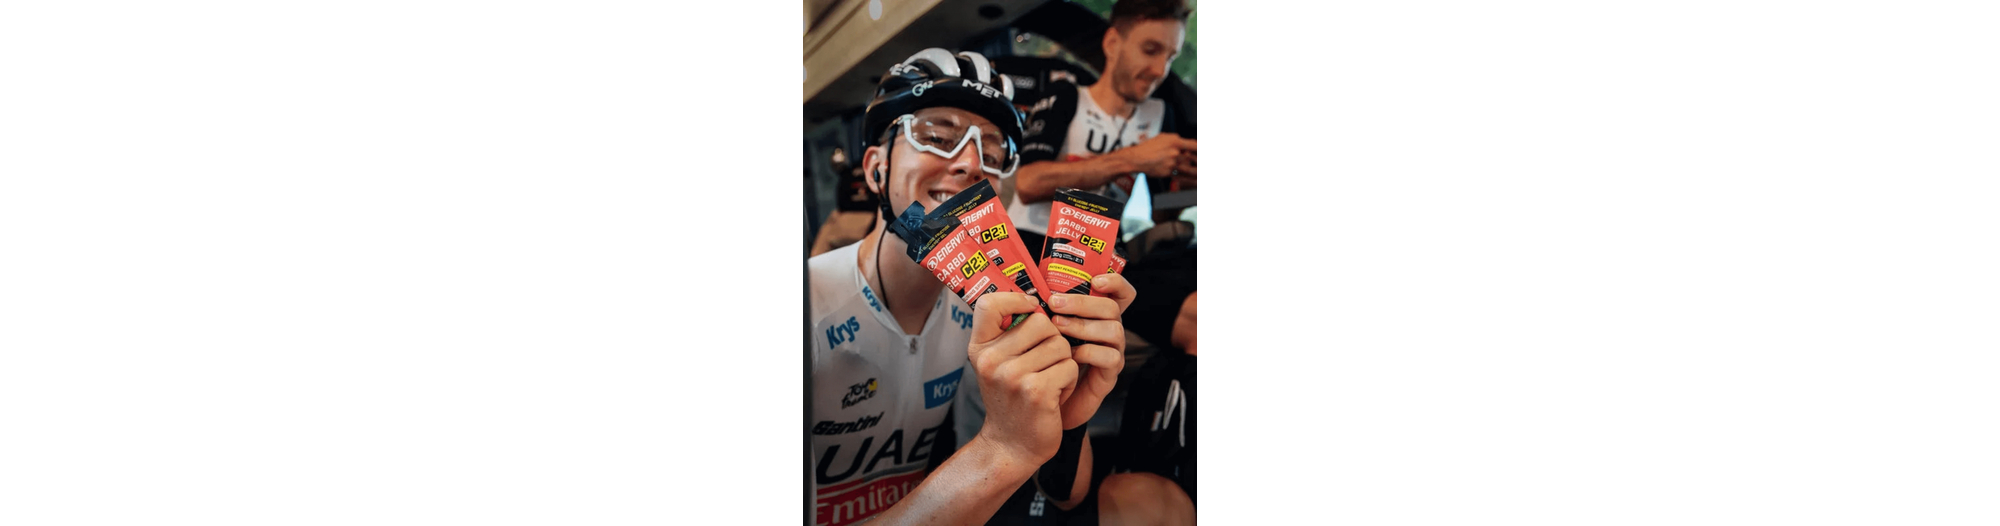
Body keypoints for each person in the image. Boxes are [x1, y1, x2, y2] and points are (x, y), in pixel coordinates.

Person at [809, 48, 1191, 525]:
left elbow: (1064, 494)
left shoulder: (991, 304)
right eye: (937, 136)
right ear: (875, 169)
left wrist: (1066, 416)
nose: (972, 162)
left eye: (992, 151)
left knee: (1155, 506)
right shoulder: (808, 303)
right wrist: (1003, 448)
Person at [1004, 0, 1197, 254]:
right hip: (1034, 244)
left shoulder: (1160, 115)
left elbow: (1160, 214)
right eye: (1150, 50)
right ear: (1112, 44)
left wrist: (1187, 190)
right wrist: (1132, 160)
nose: (1160, 70)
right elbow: (1028, 184)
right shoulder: (1066, 95)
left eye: (1170, 57)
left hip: (1101, 255)